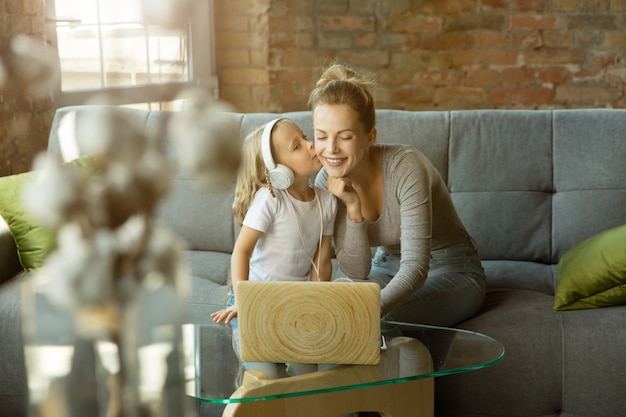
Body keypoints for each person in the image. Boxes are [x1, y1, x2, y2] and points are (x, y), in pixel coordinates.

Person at [309, 63, 486, 327]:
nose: (331, 149)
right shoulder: (326, 180)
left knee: (380, 320)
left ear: (370, 137)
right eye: (321, 137)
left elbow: (415, 267)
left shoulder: (406, 166)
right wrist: (353, 209)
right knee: (334, 310)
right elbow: (357, 272)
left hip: (452, 269)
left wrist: (368, 313)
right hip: (386, 267)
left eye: (344, 137)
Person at [211, 118, 337, 379]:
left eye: (305, 137)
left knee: (305, 372)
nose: (311, 144)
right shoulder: (270, 199)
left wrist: (314, 301)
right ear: (279, 170)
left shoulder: (328, 202)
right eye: (297, 146)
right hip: (254, 300)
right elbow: (241, 251)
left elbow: (322, 261)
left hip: (295, 302)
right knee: (266, 376)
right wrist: (244, 300)